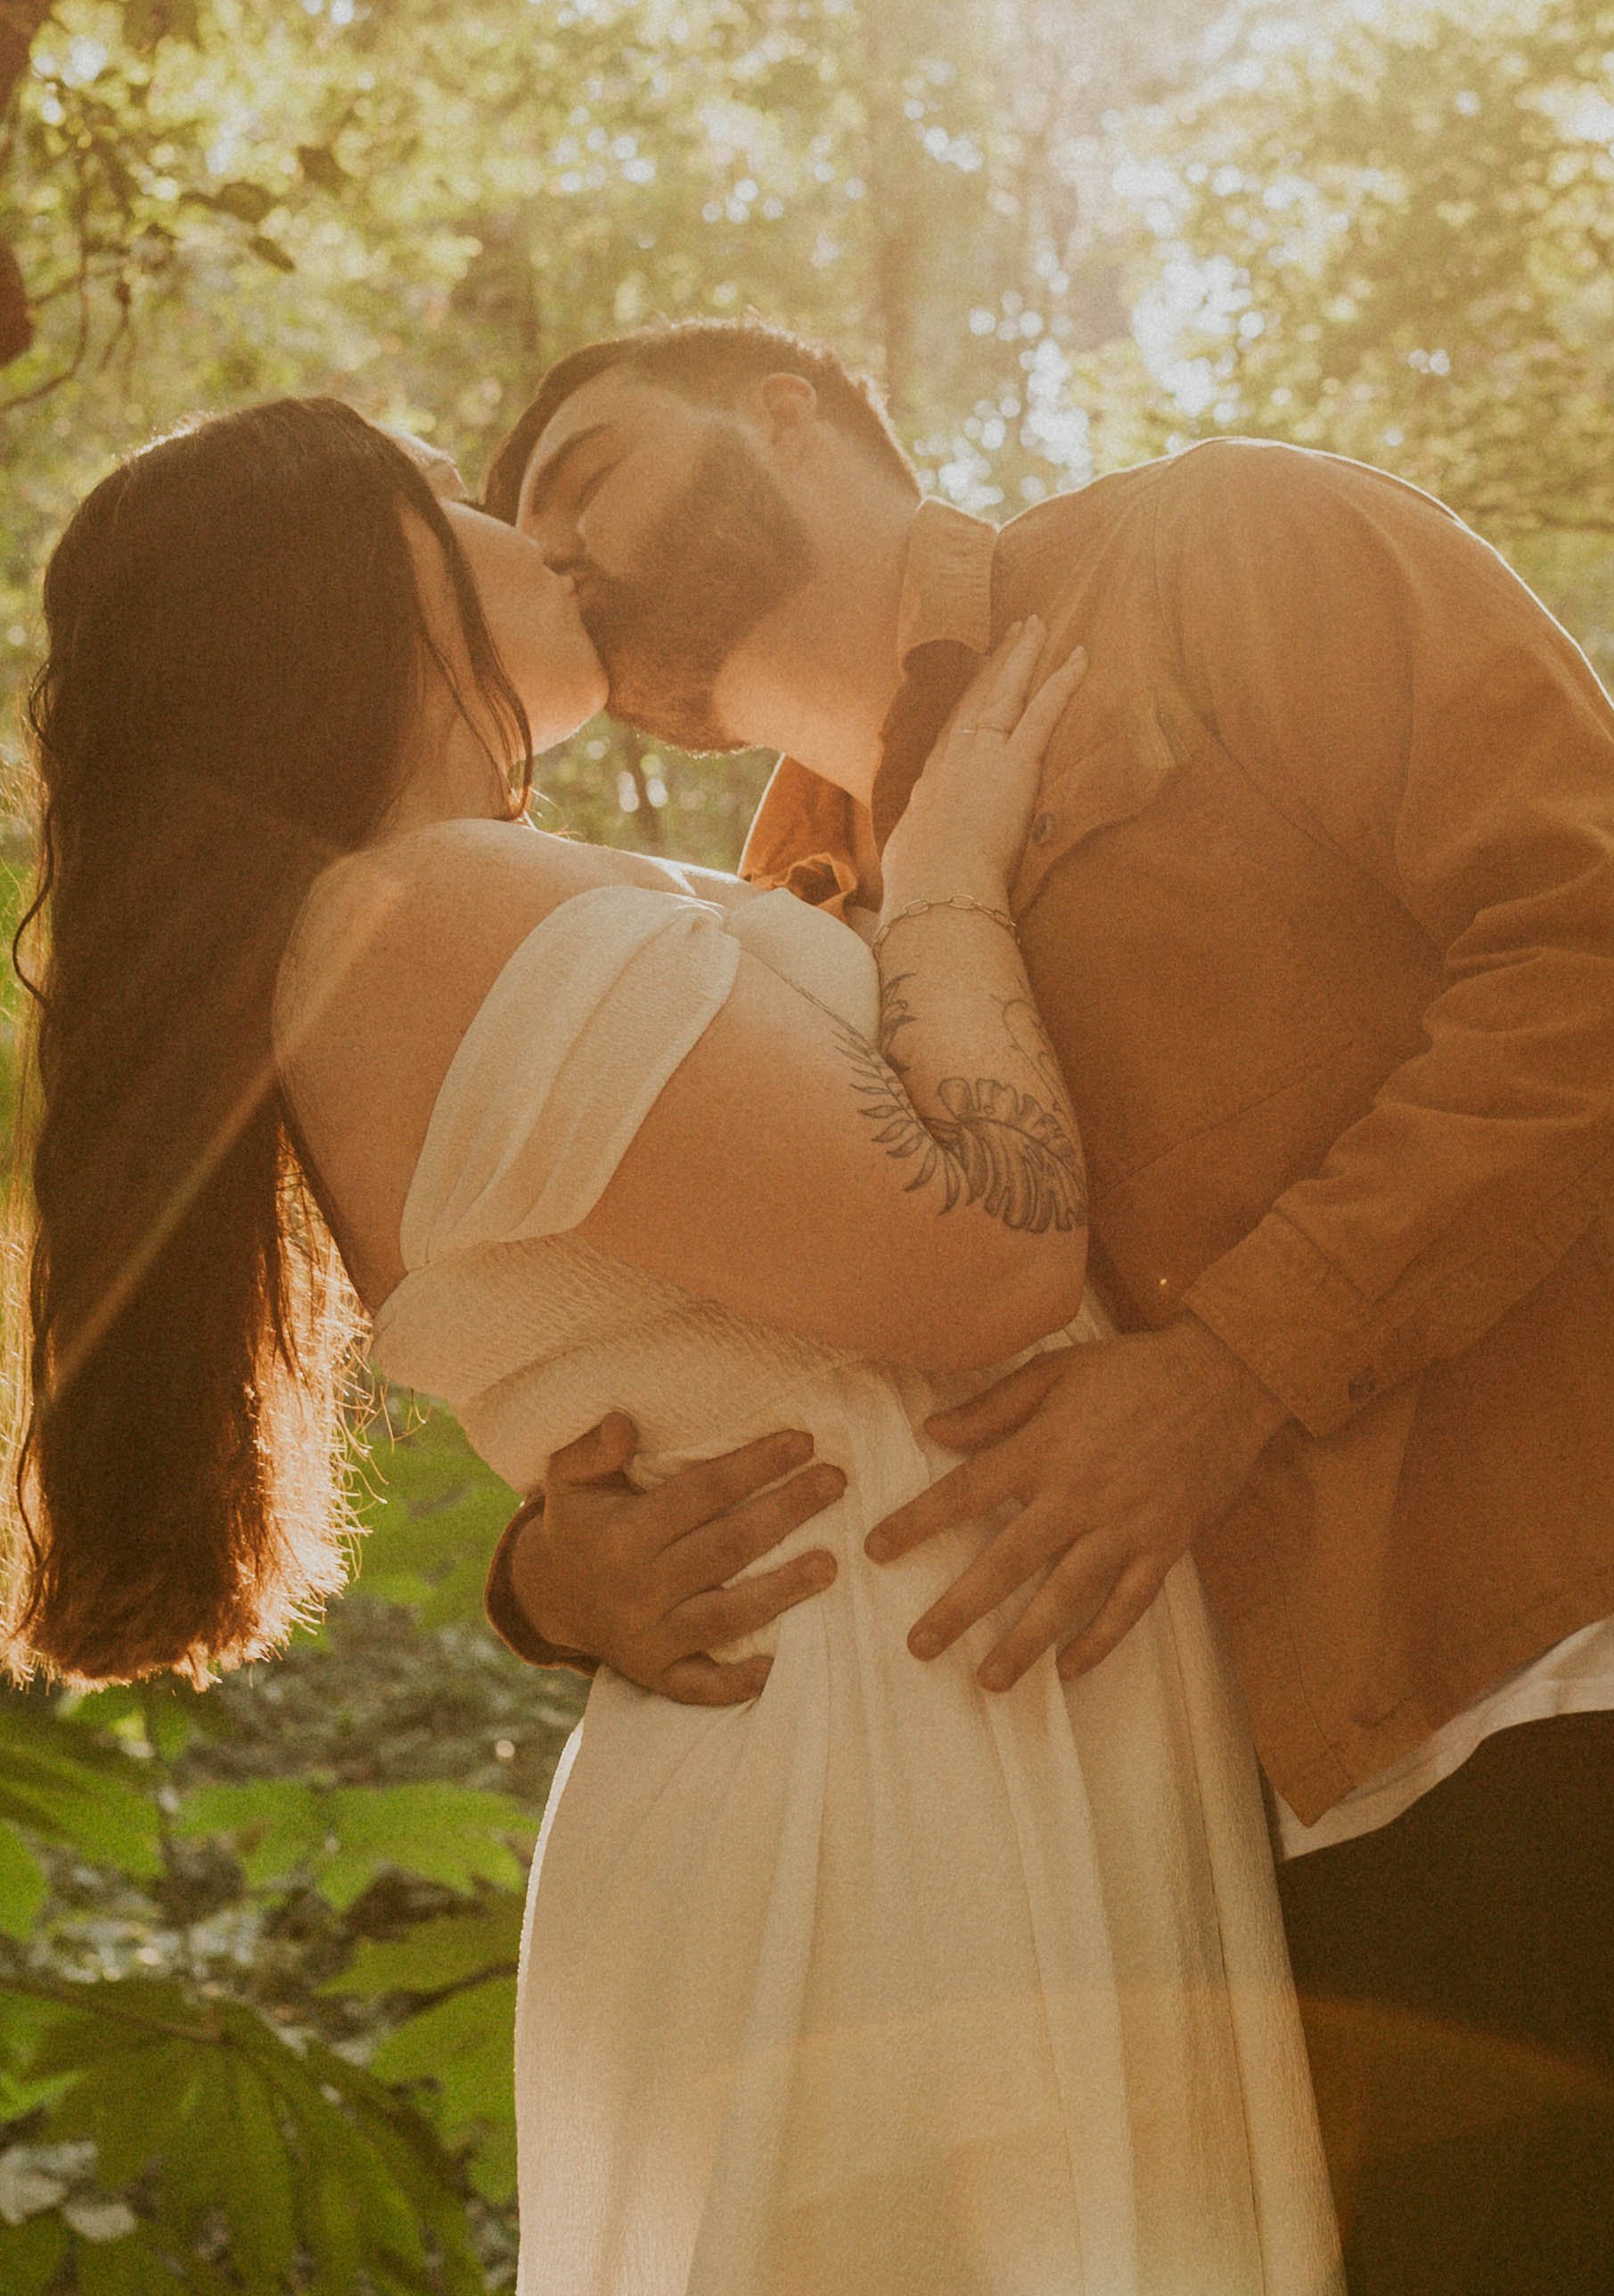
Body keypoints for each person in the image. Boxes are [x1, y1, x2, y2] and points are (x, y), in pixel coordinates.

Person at [11, 395, 1340, 2293]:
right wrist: (950, 870)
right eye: (459, 503)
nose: (530, 540)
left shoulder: (435, 916)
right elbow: (988, 1264)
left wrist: (548, 1581)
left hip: (918, 1707)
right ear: (349, 572)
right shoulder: (433, 909)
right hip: (881, 1776)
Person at [480, 317, 1614, 2293]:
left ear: (798, 410)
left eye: (585, 471)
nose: (561, 554)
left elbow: (1595, 936)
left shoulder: (1226, 546)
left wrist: (1232, 1368)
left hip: (1557, 1657)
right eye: (528, 543)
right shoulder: (775, 930)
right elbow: (779, 1348)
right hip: (1218, 1875)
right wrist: (552, 1578)